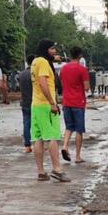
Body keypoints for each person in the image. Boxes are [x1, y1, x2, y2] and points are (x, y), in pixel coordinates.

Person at [31, 40, 70, 182]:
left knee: (38, 138)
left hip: (36, 105)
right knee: (53, 136)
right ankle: (57, 169)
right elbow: (43, 83)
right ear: (45, 49)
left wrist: (55, 58)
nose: (54, 51)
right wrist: (52, 103)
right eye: (52, 49)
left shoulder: (36, 61)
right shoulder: (43, 63)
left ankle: (41, 172)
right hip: (45, 105)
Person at [59, 47, 90, 164]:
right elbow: (86, 87)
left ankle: (65, 146)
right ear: (80, 55)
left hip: (66, 102)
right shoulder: (82, 69)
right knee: (79, 130)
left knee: (68, 127)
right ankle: (77, 156)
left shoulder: (63, 69)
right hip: (78, 102)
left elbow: (62, 84)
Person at [19, 55, 35, 153]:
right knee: (39, 124)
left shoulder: (21, 74)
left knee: (26, 124)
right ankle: (41, 144)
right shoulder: (35, 74)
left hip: (25, 102)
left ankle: (27, 145)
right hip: (36, 102)